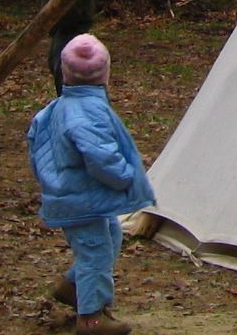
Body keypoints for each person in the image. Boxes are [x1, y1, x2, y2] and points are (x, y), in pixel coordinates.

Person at [26, 34, 154, 335]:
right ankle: (92, 319)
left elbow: (37, 145)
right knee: (95, 252)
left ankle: (72, 286)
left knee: (110, 235)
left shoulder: (61, 106)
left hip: (80, 197)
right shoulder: (87, 112)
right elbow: (101, 158)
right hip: (82, 200)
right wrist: (125, 175)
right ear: (105, 73)